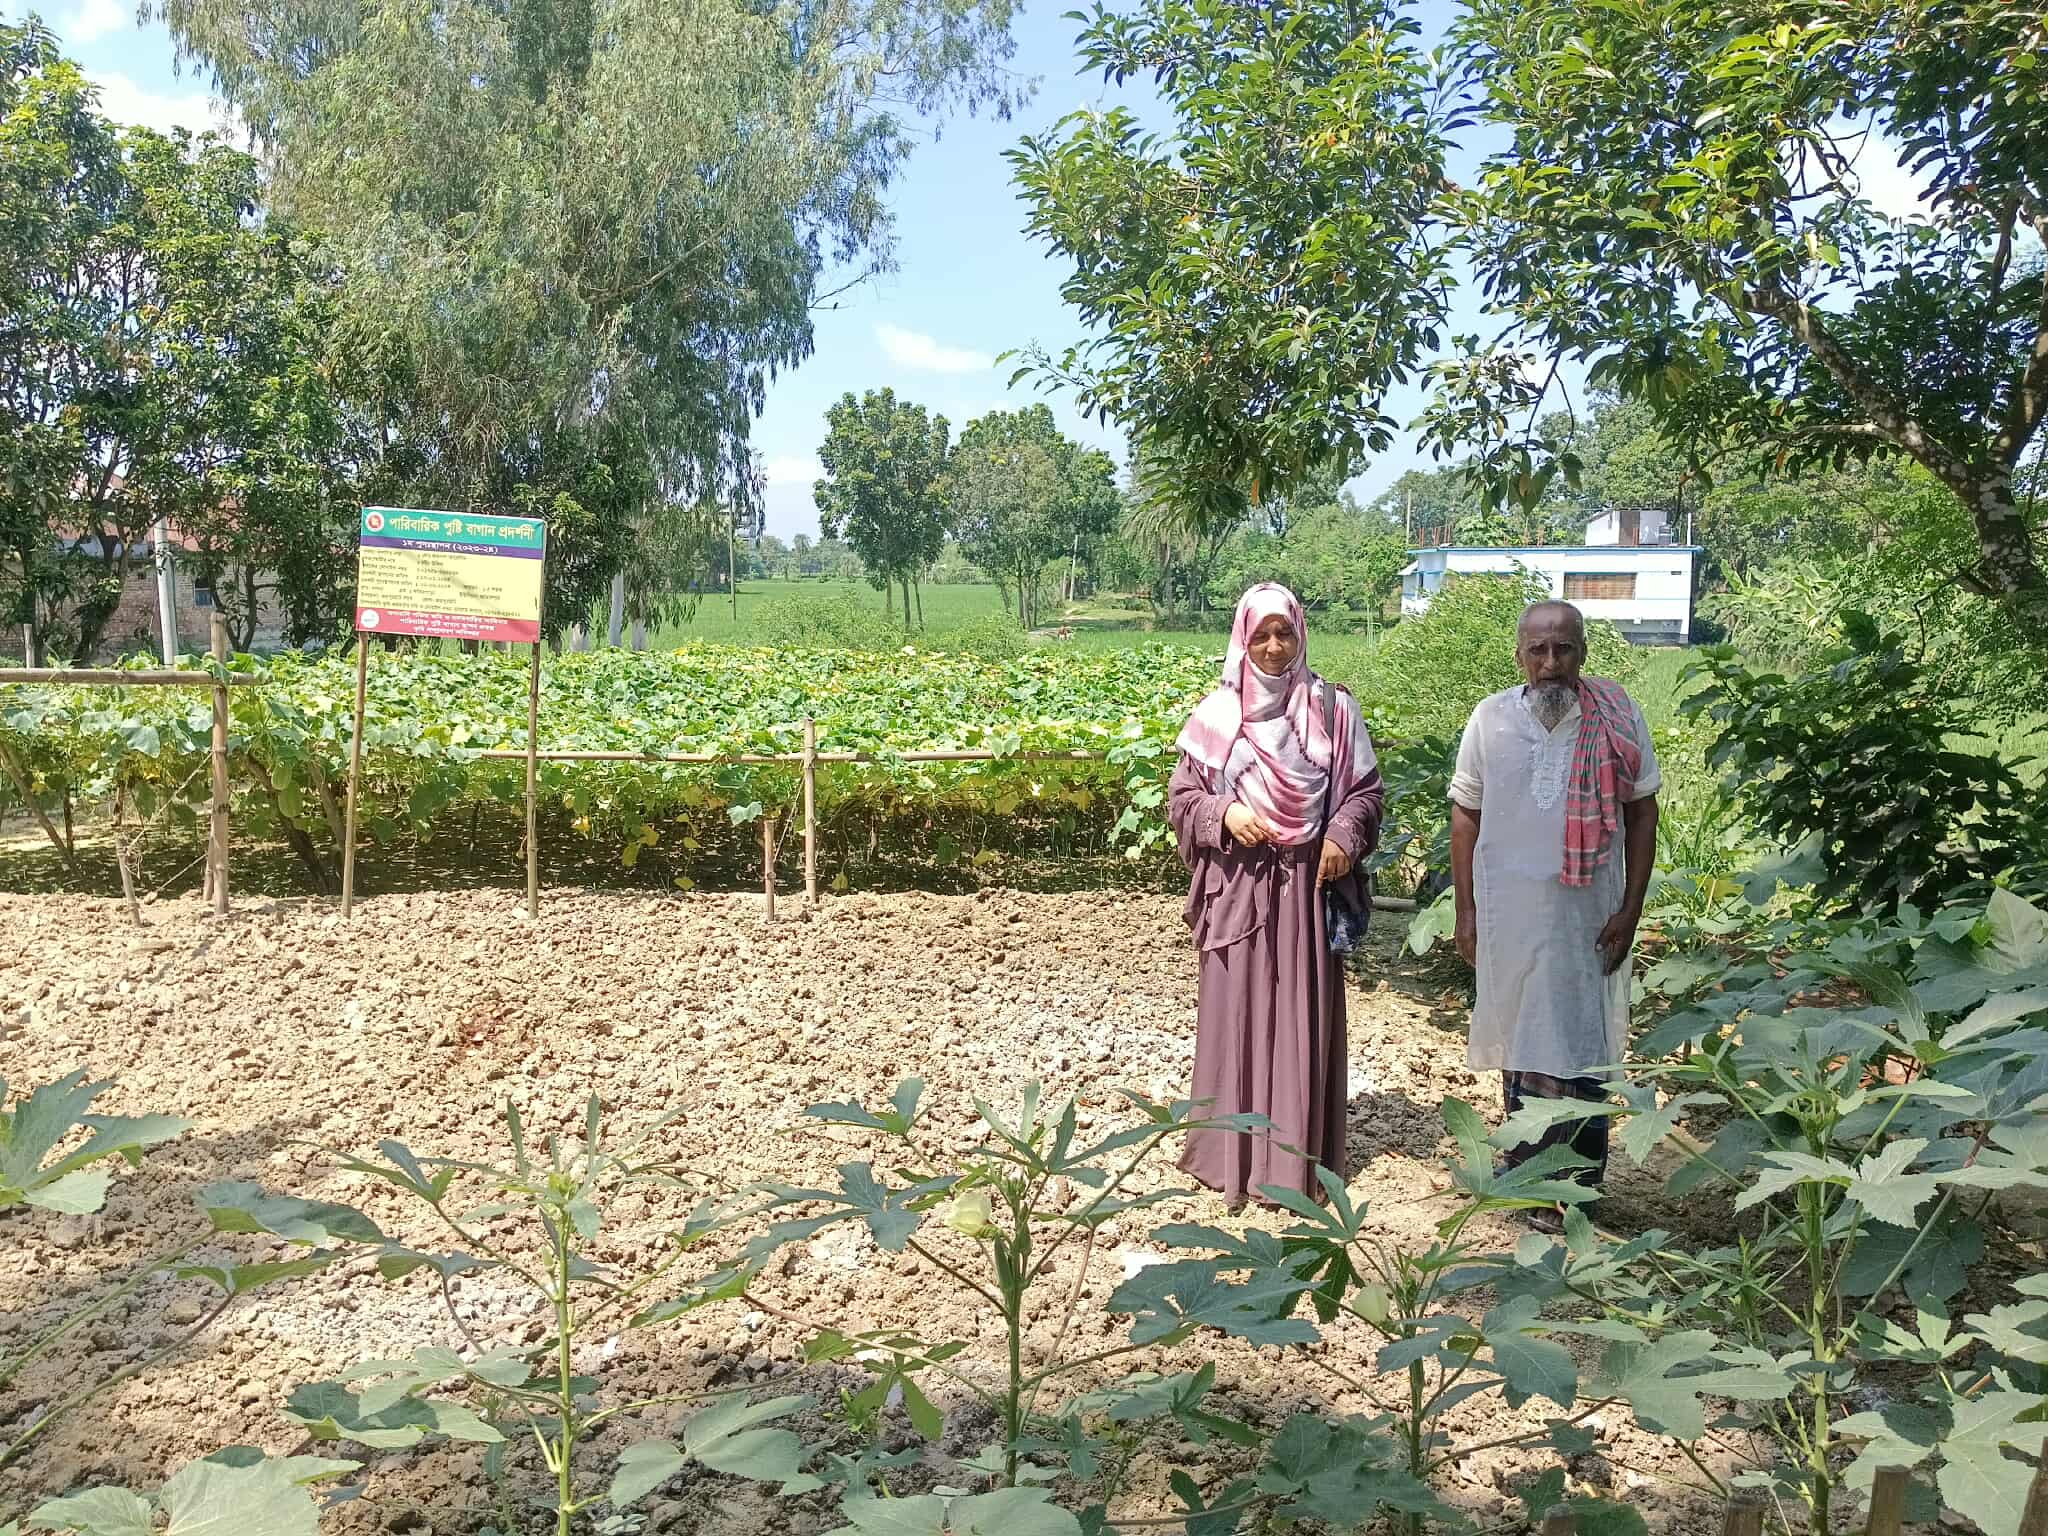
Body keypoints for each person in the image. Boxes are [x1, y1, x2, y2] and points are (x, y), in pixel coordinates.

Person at [1168, 583, 1384, 1208]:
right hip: (1239, 886)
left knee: (1299, 1018)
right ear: (1242, 638)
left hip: (1307, 888)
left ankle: (1290, 1166)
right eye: (1259, 634)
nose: (1271, 646)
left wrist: (1342, 835)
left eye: (1282, 633)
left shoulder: (1333, 710)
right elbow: (1183, 799)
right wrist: (1225, 814)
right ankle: (1228, 1160)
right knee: (1236, 1013)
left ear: (1299, 634)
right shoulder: (1218, 714)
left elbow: (1366, 794)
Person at [1449, 600, 1661, 1232]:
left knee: (1581, 1039)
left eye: (1563, 648)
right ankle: (1526, 1177)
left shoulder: (1617, 718)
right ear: (1519, 655)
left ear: (1582, 653)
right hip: (1510, 915)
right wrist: (1467, 911)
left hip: (1588, 917)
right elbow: (1465, 814)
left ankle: (1576, 1188)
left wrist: (1630, 908)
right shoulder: (1490, 719)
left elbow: (1642, 812)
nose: (1550, 662)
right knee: (1523, 1033)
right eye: (1538, 650)